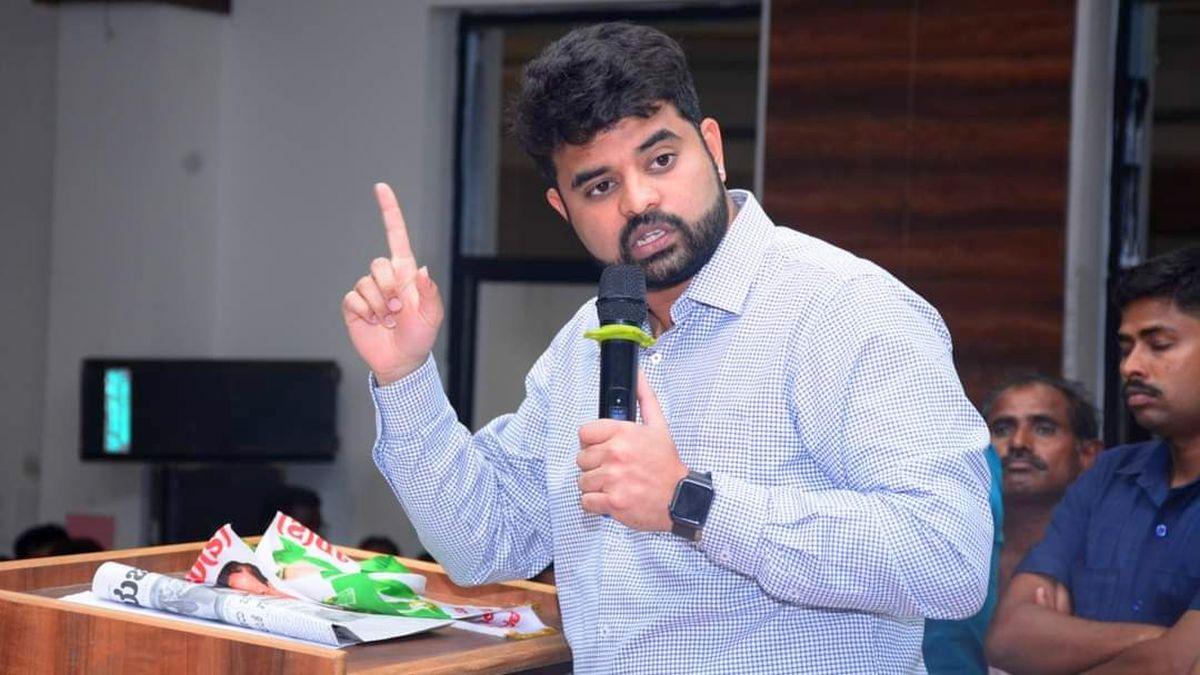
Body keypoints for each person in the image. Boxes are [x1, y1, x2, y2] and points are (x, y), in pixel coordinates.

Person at [344, 23, 991, 672]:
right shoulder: (584, 343)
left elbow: (950, 559)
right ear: (563, 209)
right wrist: (405, 375)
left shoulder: (845, 308)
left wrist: (694, 502)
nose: (640, 200)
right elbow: (486, 542)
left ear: (713, 147)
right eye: (600, 187)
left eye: (660, 160)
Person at [987, 245, 1200, 674]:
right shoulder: (1107, 476)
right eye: (1126, 348)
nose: (1131, 366)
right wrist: (1161, 639)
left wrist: (1068, 644)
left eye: (1158, 345)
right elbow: (1008, 638)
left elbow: (1179, 665)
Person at [983, 373, 1102, 597]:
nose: (1018, 443)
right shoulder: (951, 550)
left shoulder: (1106, 556)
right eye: (1002, 430)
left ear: (1088, 455)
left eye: (1044, 429)